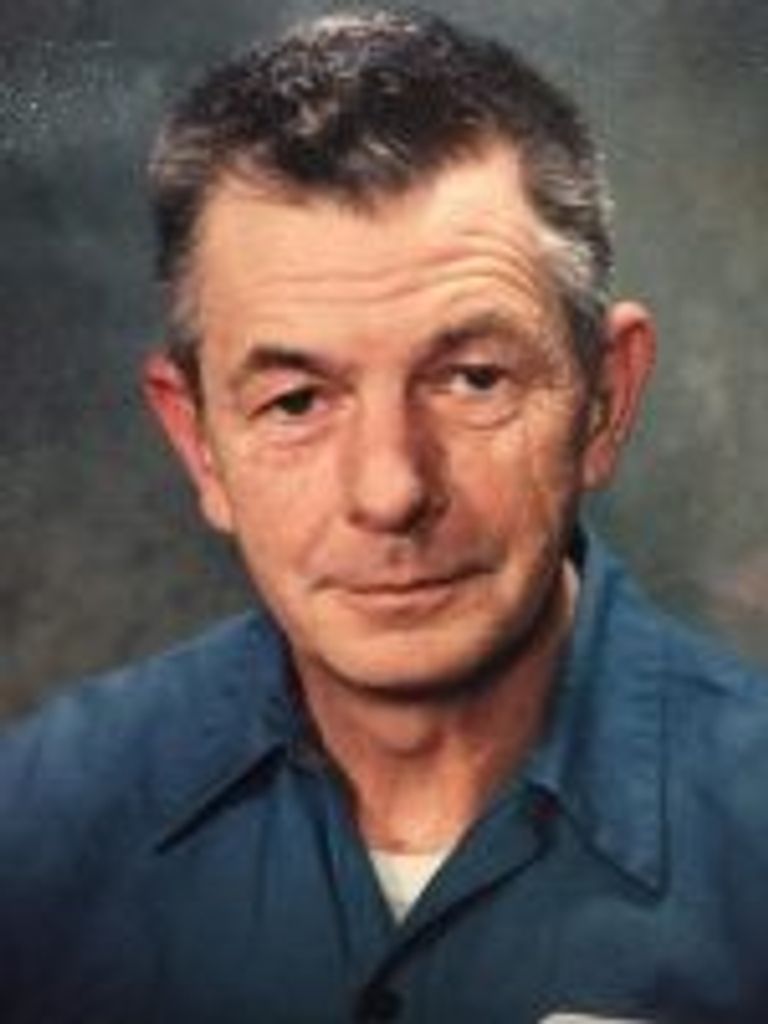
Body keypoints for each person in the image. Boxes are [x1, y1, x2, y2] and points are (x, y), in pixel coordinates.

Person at [2, 9, 767, 1023]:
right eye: (297, 401)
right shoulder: (34, 822)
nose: (391, 490)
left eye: (473, 378)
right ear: (198, 443)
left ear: (604, 399)